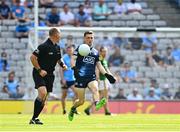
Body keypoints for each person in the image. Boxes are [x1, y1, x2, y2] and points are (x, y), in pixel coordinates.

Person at [68, 31, 116, 121]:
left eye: (91, 38)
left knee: (95, 88)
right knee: (81, 101)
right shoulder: (80, 48)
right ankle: (73, 108)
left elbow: (99, 65)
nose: (90, 39)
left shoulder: (95, 52)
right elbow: (73, 59)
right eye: (88, 38)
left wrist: (107, 74)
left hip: (91, 77)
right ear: (84, 38)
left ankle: (97, 103)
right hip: (80, 77)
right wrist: (74, 68)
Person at [29, 28, 67, 125]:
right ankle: (34, 118)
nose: (60, 36)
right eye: (59, 33)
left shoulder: (57, 47)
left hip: (50, 75)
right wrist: (39, 70)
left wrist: (63, 65)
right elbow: (32, 57)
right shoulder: (43, 46)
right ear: (55, 35)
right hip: (39, 73)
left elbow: (59, 59)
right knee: (42, 93)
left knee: (44, 97)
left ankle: (35, 118)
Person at [84, 46, 112, 116]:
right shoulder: (100, 59)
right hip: (101, 80)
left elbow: (106, 69)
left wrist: (111, 76)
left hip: (103, 80)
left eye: (106, 51)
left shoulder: (104, 60)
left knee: (101, 97)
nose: (105, 53)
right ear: (100, 52)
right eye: (103, 51)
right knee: (103, 97)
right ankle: (106, 112)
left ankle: (89, 109)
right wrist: (98, 78)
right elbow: (97, 68)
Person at [60, 45, 78, 115]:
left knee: (76, 93)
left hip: (73, 79)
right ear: (67, 51)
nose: (70, 51)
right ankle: (64, 110)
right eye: (68, 50)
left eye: (71, 50)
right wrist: (63, 79)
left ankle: (74, 109)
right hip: (66, 79)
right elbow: (61, 69)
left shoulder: (75, 58)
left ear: (73, 50)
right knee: (64, 95)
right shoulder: (64, 58)